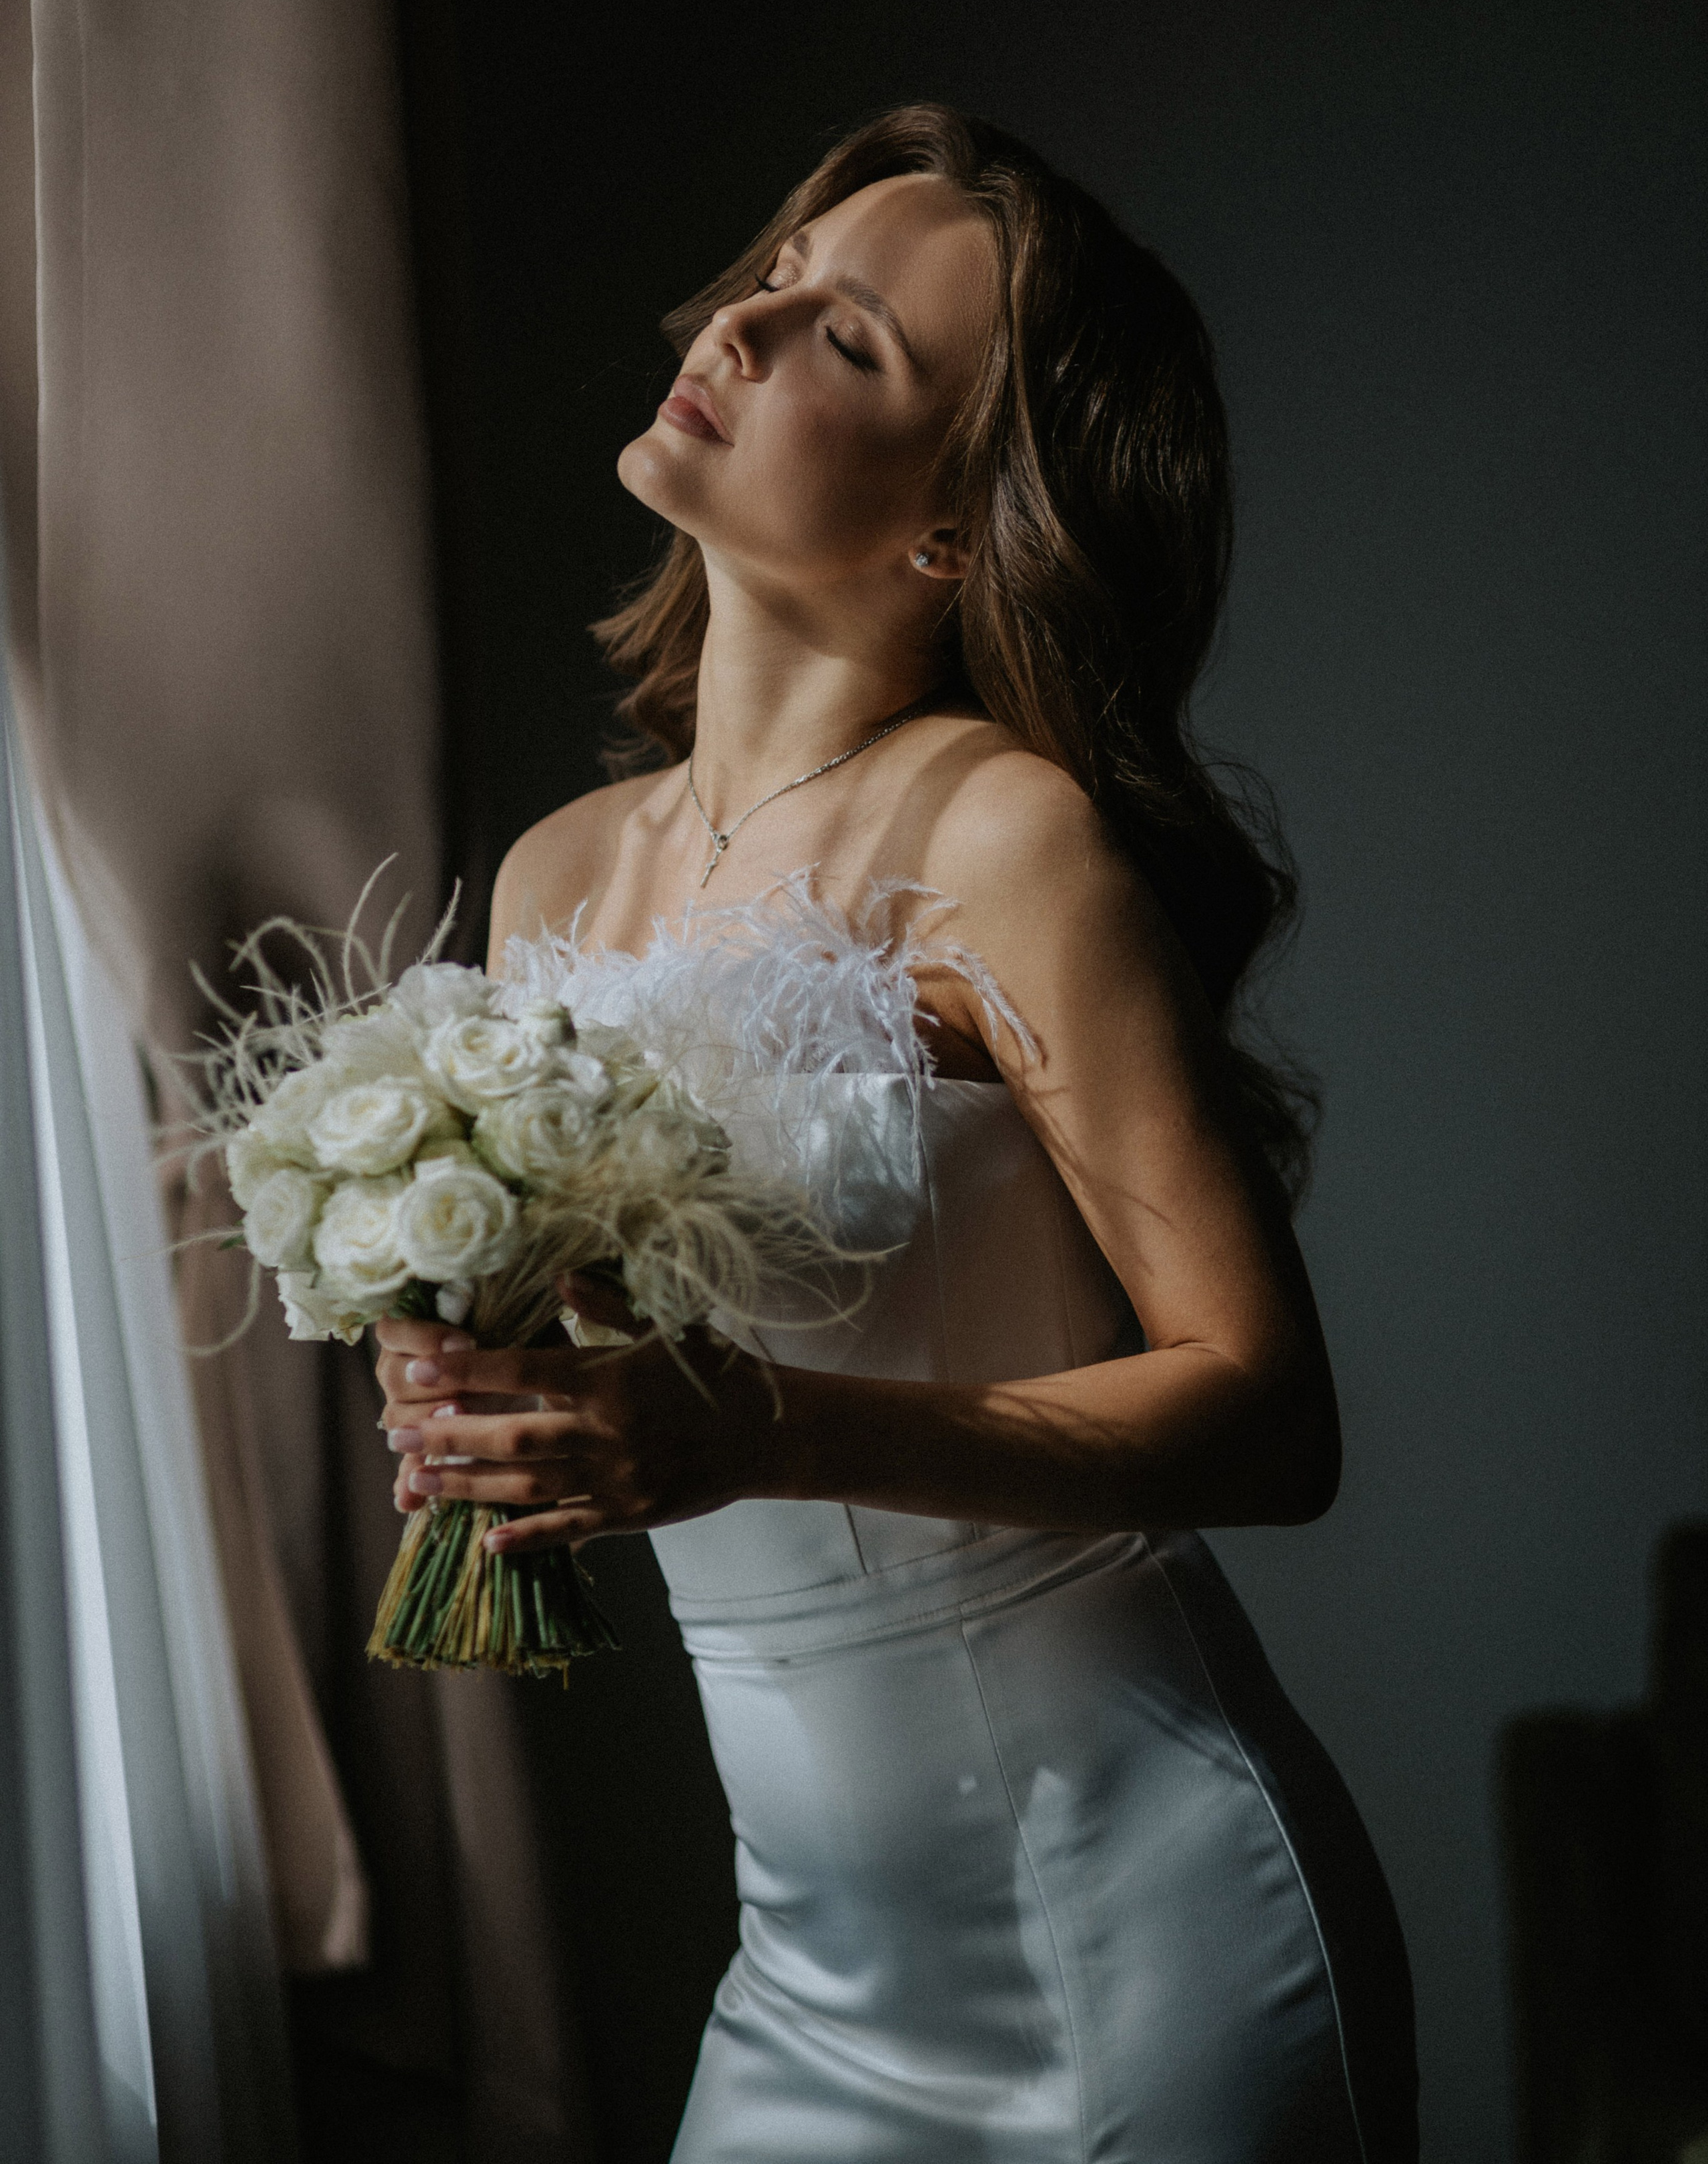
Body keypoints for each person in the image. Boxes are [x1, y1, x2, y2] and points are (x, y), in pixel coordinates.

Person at [377, 105, 1418, 2159]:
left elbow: (1273, 1417)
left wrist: (765, 1436)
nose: (743, 325)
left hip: (1138, 1943)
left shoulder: (1002, 838)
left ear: (955, 528)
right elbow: (640, 1371)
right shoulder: (557, 878)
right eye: (779, 277)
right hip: (808, 1972)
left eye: (847, 339)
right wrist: (483, 1386)